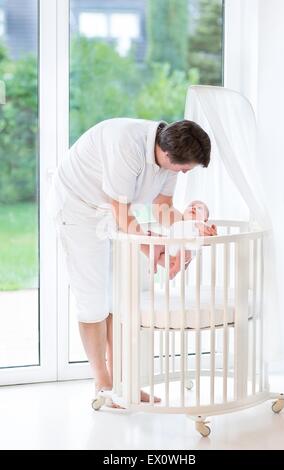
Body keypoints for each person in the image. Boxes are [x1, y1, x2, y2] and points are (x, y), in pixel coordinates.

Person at [47, 118, 211, 407]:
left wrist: (187, 230)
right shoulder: (125, 145)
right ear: (168, 154)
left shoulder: (168, 156)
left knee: (119, 300)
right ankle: (104, 386)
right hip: (78, 208)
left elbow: (162, 208)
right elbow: (122, 215)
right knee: (94, 300)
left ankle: (125, 386)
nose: (185, 173)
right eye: (184, 167)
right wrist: (155, 250)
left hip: (112, 211)